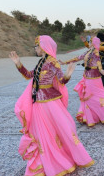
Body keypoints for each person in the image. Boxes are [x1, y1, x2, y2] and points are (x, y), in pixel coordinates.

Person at [11, 35, 94, 176]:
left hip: (50, 103)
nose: (35, 48)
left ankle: (63, 158)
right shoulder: (41, 61)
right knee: (41, 133)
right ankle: (47, 160)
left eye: (36, 46)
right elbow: (29, 75)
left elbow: (61, 80)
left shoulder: (52, 62)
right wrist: (18, 63)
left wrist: (68, 74)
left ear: (43, 46)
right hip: (37, 103)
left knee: (61, 129)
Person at [62, 37, 104, 126]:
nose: (89, 42)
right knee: (88, 95)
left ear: (94, 43)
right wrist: (65, 62)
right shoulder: (88, 51)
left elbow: (98, 62)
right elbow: (78, 58)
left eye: (91, 41)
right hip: (87, 76)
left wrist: (101, 70)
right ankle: (89, 116)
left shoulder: (95, 52)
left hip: (94, 77)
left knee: (96, 95)